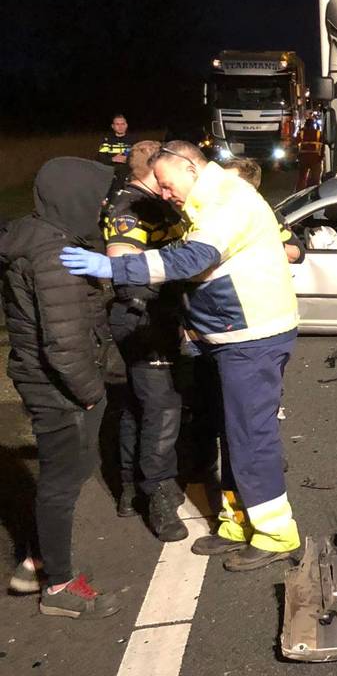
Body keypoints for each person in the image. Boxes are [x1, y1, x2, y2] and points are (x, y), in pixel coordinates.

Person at [61, 141, 302, 572]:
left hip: (253, 337)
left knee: (251, 437)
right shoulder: (209, 199)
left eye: (169, 184)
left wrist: (114, 268)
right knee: (233, 434)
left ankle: (275, 533)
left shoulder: (228, 201)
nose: (165, 194)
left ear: (191, 168)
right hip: (231, 337)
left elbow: (193, 258)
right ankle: (238, 522)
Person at [0, 157, 120, 618]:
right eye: (99, 197)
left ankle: (36, 559)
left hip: (43, 379)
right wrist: (90, 391)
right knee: (62, 481)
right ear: (74, 196)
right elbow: (64, 343)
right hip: (61, 389)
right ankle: (59, 587)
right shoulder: (55, 255)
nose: (104, 207)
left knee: (62, 474)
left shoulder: (36, 235)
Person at [101, 141, 188, 540]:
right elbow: (125, 267)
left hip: (155, 315)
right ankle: (158, 497)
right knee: (161, 408)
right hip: (144, 316)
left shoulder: (152, 201)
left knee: (139, 407)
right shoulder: (129, 204)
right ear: (156, 169)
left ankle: (130, 489)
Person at [97, 114, 135, 179]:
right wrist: (112, 159)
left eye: (123, 124)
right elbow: (100, 158)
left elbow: (139, 158)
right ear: (113, 126)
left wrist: (127, 159)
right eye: (117, 124)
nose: (120, 127)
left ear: (126, 125)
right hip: (111, 173)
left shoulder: (133, 140)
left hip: (129, 174)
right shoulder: (107, 140)